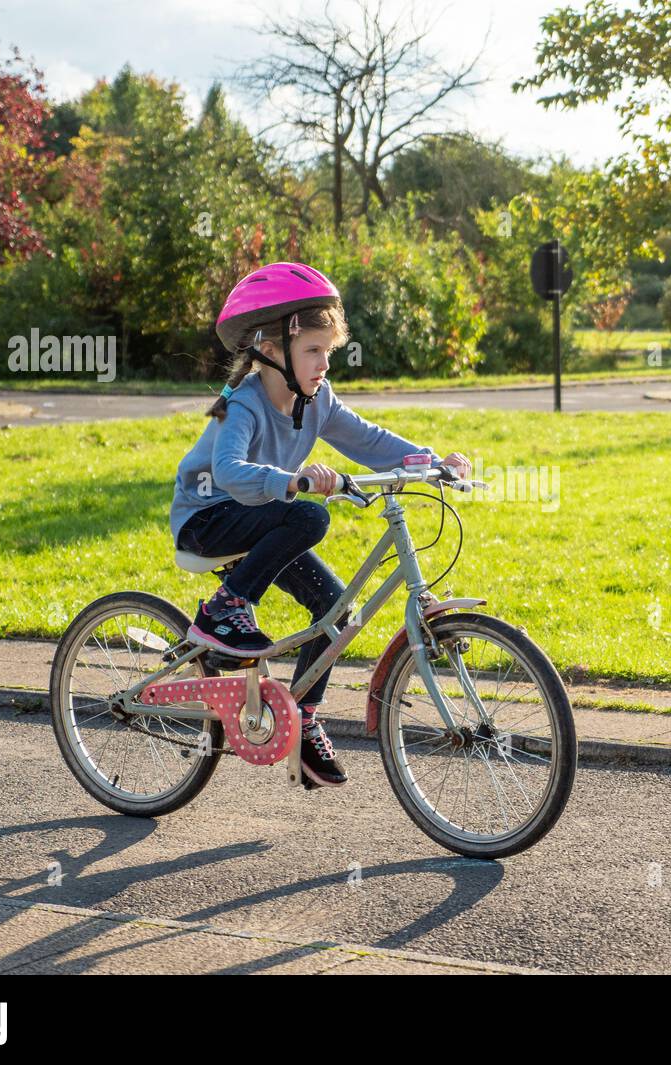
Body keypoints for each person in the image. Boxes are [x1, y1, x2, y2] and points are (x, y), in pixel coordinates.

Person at [169, 262, 472, 788]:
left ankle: (303, 721)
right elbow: (229, 473)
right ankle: (224, 610)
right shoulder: (243, 403)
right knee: (309, 514)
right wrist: (293, 480)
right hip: (208, 519)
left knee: (336, 608)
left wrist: (427, 460)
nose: (324, 364)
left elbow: (366, 439)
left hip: (259, 522)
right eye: (313, 350)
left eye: (328, 352)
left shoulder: (317, 400)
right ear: (272, 349)